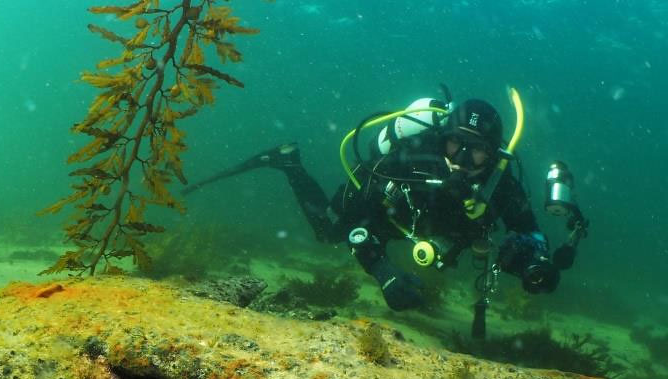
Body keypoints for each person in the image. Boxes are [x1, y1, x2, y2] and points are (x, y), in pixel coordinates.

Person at [188, 92, 582, 323]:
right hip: (386, 211)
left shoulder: (500, 182)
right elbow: (361, 224)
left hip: (424, 229)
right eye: (454, 144)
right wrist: (382, 271)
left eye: (477, 151)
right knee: (329, 232)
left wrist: (535, 262)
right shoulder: (410, 159)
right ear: (441, 138)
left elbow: (527, 229)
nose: (462, 158)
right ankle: (290, 163)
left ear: (493, 155)